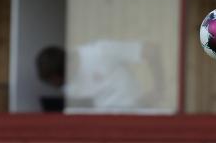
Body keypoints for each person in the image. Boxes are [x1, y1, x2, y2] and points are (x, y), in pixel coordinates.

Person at [36, 41, 164, 112]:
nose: (64, 86)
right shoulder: (68, 88)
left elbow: (151, 51)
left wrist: (159, 89)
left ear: (65, 68)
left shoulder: (100, 52)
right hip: (108, 125)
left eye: (61, 81)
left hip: (140, 112)